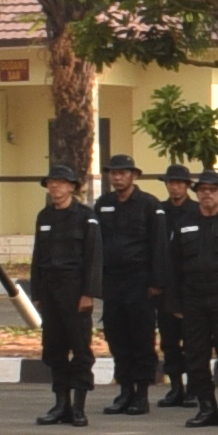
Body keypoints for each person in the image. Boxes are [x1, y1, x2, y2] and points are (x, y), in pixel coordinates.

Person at [159, 172, 218, 428]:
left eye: (213, 190)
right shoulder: (184, 222)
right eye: (202, 190)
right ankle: (206, 407)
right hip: (194, 300)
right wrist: (175, 303)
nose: (207, 194)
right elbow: (173, 265)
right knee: (195, 355)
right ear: (197, 193)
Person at [25, 166, 100, 426]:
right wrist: (36, 293)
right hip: (50, 290)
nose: (55, 187)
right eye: (51, 183)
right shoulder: (44, 216)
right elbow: (37, 258)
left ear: (71, 187)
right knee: (54, 349)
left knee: (80, 350)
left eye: (60, 183)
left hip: (75, 289)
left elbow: (93, 257)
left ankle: (78, 407)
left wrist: (88, 293)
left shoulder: (85, 217)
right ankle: (60, 404)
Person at [95, 156, 163, 415]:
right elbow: (96, 244)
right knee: (116, 336)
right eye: (113, 173)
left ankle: (142, 394)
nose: (117, 177)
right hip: (112, 281)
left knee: (141, 337)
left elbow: (159, 245)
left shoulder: (148, 204)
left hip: (140, 280)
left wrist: (156, 282)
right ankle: (125, 391)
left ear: (134, 175)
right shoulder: (103, 204)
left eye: (123, 173)